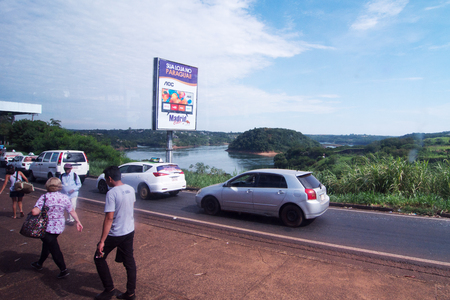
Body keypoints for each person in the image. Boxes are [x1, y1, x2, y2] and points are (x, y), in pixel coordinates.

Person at [94, 166, 136, 300]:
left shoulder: (111, 193)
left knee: (98, 258)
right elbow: (130, 208)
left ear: (110, 178)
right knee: (129, 262)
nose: (106, 182)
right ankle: (130, 293)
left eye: (106, 179)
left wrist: (102, 241)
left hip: (116, 233)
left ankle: (109, 289)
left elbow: (109, 218)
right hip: (129, 230)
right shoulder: (130, 189)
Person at [30, 177, 83, 278]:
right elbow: (71, 211)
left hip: (45, 227)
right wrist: (78, 221)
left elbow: (34, 212)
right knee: (48, 244)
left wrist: (38, 210)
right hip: (58, 227)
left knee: (54, 248)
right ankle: (39, 263)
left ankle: (63, 269)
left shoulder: (44, 197)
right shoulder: (64, 198)